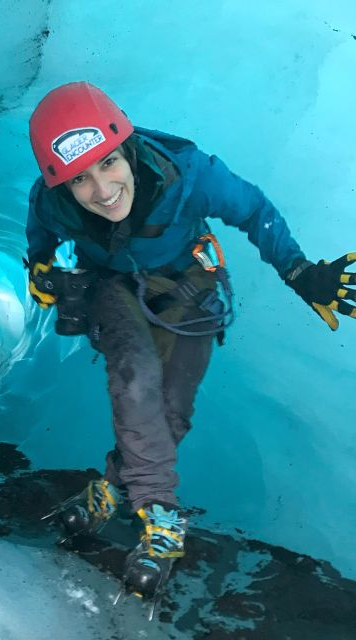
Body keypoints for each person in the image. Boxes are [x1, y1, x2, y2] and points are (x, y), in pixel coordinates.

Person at [24, 81, 355, 597]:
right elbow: (40, 239)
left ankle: (112, 487)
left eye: (109, 163)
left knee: (171, 406)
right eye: (80, 180)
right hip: (111, 288)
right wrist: (41, 272)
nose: (102, 190)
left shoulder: (189, 173)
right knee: (134, 379)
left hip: (190, 285)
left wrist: (298, 270)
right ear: (60, 185)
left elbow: (251, 208)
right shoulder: (52, 204)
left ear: (128, 149)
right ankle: (160, 514)